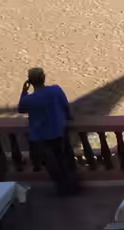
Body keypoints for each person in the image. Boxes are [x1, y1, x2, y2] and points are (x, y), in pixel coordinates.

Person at [16, 67, 80, 195]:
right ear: (44, 78)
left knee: (51, 164)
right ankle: (73, 187)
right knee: (66, 159)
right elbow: (65, 106)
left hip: (41, 135)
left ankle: (61, 188)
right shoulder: (56, 90)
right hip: (58, 131)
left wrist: (24, 91)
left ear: (30, 81)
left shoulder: (29, 99)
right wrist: (69, 118)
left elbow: (21, 109)